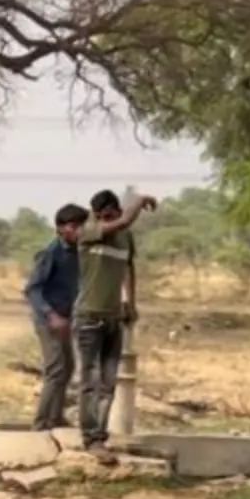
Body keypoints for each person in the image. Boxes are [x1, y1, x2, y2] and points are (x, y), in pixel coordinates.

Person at [76, 189, 159, 458]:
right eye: (100, 216)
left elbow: (128, 268)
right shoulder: (88, 231)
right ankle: (90, 438)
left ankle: (99, 436)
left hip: (113, 317)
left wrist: (130, 303)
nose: (104, 221)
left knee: (108, 383)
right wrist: (140, 200)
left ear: (116, 209)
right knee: (90, 380)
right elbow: (122, 223)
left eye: (108, 215)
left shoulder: (125, 239)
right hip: (88, 317)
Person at [22, 204, 88, 431]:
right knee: (56, 369)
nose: (78, 231)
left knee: (68, 367)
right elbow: (33, 289)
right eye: (73, 226)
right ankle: (41, 423)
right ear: (60, 228)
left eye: (81, 225)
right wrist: (52, 316)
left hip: (66, 318)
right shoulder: (50, 253)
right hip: (48, 319)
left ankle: (55, 418)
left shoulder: (79, 251)